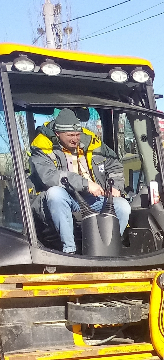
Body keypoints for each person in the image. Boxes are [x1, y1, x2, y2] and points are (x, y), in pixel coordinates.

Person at [29, 108, 130, 254]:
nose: (75, 139)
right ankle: (70, 250)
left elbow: (114, 165)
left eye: (77, 134)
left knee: (122, 206)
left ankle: (109, 248)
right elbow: (49, 176)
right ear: (58, 134)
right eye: (70, 135)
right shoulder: (42, 147)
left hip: (92, 198)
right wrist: (85, 184)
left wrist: (116, 187)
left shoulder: (92, 143)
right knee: (55, 194)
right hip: (66, 198)